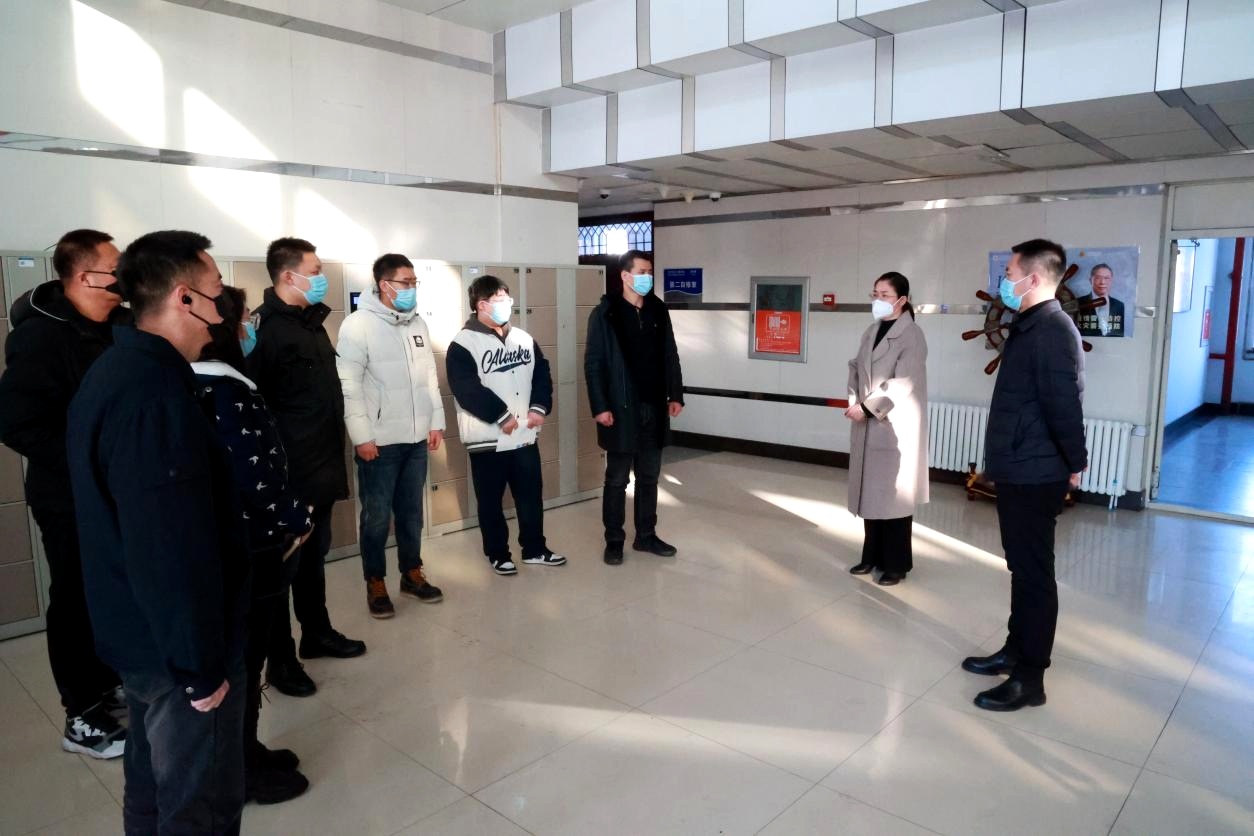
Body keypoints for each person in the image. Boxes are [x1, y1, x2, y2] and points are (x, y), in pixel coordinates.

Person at [66, 230, 249, 834]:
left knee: (151, 784)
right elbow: (168, 545)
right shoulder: (155, 396)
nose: (223, 308)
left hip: (140, 634)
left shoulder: (117, 370)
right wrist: (200, 665)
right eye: (216, 292)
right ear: (183, 298)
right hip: (176, 651)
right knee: (200, 804)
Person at [0, 229, 130, 759]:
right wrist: (90, 460)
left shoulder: (118, 327)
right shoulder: (41, 337)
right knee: (75, 601)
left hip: (117, 493)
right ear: (83, 276)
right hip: (69, 498)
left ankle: (106, 683)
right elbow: (18, 424)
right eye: (115, 269)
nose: (123, 277)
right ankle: (80, 716)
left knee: (111, 594)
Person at [192, 286, 311, 805]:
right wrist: (296, 516)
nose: (251, 328)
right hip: (253, 544)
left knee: (248, 653)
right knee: (243, 658)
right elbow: (252, 472)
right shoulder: (225, 390)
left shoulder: (210, 382)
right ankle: (239, 770)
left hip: (244, 542)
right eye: (245, 319)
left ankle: (248, 750)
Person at [963, 238, 1087, 712]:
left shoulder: (1052, 329)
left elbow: (1064, 404)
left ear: (1033, 278)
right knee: (1021, 568)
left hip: (1037, 472)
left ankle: (1030, 677)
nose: (1004, 281)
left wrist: (1076, 462)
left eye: (1010, 273)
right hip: (1020, 466)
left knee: (1035, 575)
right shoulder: (1030, 324)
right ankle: (1014, 651)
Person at [249, 237, 365, 698]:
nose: (321, 278)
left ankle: (316, 633)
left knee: (313, 562)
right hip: (288, 476)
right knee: (282, 571)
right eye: (314, 270)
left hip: (320, 467)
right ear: (287, 275)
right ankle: (280, 661)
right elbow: (253, 405)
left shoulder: (311, 323)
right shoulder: (265, 330)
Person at [336, 254, 446, 616]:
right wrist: (361, 437)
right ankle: (375, 580)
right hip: (379, 442)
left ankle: (411, 574)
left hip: (415, 439)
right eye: (406, 282)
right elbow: (349, 386)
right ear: (385, 285)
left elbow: (429, 377)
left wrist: (435, 421)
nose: (412, 288)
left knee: (411, 513)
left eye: (415, 282)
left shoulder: (417, 323)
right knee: (377, 517)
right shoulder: (358, 325)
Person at [447, 275, 565, 576]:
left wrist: (538, 408)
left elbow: (542, 375)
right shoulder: (463, 344)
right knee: (490, 501)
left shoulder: (524, 338)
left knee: (530, 496)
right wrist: (501, 415)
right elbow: (466, 389)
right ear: (481, 305)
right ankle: (498, 554)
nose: (506, 305)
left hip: (524, 435)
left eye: (507, 299)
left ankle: (535, 549)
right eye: (499, 300)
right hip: (487, 438)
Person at [585, 250, 685, 565]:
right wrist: (600, 406)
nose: (647, 277)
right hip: (620, 408)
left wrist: (675, 394)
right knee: (617, 478)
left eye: (650, 272)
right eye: (642, 272)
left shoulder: (657, 309)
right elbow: (593, 364)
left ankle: (646, 535)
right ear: (625, 276)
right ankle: (614, 540)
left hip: (653, 406)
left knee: (649, 476)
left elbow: (670, 353)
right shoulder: (605, 313)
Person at [843, 272, 929, 587]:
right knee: (871, 494)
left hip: (894, 424)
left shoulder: (912, 335)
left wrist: (867, 408)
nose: (878, 300)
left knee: (893, 497)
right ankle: (872, 556)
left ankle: (896, 564)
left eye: (885, 295)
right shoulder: (873, 330)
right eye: (875, 293)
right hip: (867, 421)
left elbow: (903, 381)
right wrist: (854, 400)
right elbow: (855, 367)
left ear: (902, 300)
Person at [1076, 263, 1125, 337]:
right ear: (1090, 280)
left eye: (1106, 278)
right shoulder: (1078, 303)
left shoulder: (1119, 306)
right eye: (1098, 278)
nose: (1102, 282)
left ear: (1111, 281)